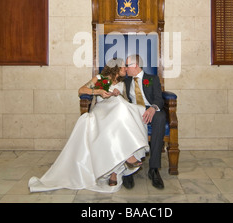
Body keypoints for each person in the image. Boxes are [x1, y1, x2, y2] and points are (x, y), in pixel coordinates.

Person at [28, 58, 149, 193]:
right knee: (120, 110)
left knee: (122, 108)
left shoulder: (123, 83)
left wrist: (117, 93)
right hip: (102, 111)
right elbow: (81, 90)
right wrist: (98, 92)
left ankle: (115, 172)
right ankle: (126, 157)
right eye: (122, 67)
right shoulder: (100, 78)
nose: (125, 69)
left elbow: (126, 99)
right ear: (115, 68)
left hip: (117, 111)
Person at [123, 54, 166, 189]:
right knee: (123, 118)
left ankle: (153, 169)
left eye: (127, 65)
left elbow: (159, 98)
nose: (125, 69)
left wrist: (153, 108)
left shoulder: (151, 79)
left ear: (135, 66)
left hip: (150, 108)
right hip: (134, 109)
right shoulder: (126, 80)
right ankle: (128, 170)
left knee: (160, 117)